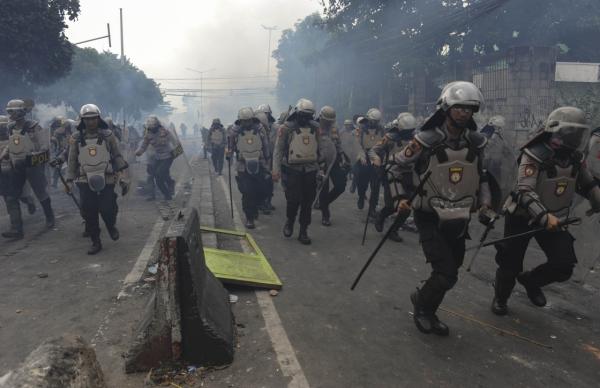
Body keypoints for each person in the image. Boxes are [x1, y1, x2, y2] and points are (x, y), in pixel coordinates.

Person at [393, 81, 493, 336]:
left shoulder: (477, 142)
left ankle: (425, 302)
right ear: (446, 108)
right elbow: (396, 168)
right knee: (445, 272)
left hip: (460, 216)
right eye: (459, 108)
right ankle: (423, 309)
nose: (464, 114)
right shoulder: (425, 139)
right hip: (428, 215)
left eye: (469, 109)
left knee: (451, 271)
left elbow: (481, 177)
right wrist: (400, 198)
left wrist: (485, 204)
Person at [491, 107, 600, 316]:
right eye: (572, 132)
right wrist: (543, 215)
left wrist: (597, 199)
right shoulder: (534, 154)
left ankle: (532, 280)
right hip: (522, 216)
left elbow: (587, 184)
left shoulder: (575, 158)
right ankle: (501, 298)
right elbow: (524, 191)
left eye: (579, 133)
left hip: (555, 217)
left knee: (564, 264)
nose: (576, 138)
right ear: (558, 131)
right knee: (510, 264)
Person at [66, 104, 129, 254]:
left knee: (108, 208)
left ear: (98, 119)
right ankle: (96, 241)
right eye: (87, 119)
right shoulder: (75, 138)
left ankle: (110, 225)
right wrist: (69, 180)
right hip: (84, 179)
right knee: (89, 212)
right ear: (82, 121)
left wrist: (123, 176)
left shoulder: (108, 135)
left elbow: (117, 155)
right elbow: (72, 160)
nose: (90, 122)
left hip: (106, 177)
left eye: (93, 118)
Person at [0, 99, 54, 239]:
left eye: (13, 111)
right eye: (9, 111)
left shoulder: (33, 127)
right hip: (15, 165)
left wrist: (36, 154)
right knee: (12, 196)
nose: (10, 114)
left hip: (32, 165)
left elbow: (44, 145)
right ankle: (16, 229)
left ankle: (50, 217)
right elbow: (11, 143)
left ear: (21, 111)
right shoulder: (11, 127)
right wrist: (5, 154)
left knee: (40, 192)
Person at [272, 98, 321, 245]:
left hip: (311, 170)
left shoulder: (316, 128)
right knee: (293, 200)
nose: (306, 118)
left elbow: (321, 148)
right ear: (297, 113)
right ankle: (290, 221)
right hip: (292, 169)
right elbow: (278, 150)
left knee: (307, 202)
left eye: (309, 115)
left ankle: (303, 231)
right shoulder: (286, 128)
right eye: (303, 115)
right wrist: (276, 170)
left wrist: (323, 167)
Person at [369, 112, 418, 242]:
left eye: (411, 131)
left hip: (409, 175)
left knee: (406, 207)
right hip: (390, 174)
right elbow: (373, 150)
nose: (410, 134)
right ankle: (381, 215)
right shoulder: (389, 138)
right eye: (407, 131)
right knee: (391, 205)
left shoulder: (416, 139)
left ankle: (393, 231)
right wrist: (376, 160)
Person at [227, 107, 270, 229]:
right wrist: (229, 154)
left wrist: (267, 161)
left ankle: (255, 208)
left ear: (252, 119)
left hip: (259, 163)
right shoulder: (234, 132)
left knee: (260, 190)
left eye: (248, 121)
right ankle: (249, 217)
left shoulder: (260, 129)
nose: (246, 123)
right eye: (244, 121)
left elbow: (266, 145)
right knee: (247, 192)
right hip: (243, 166)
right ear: (240, 120)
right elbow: (230, 147)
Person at [315, 106, 348, 226]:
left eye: (330, 121)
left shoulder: (334, 128)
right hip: (320, 163)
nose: (328, 123)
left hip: (334, 161)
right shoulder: (314, 127)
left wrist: (342, 157)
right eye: (327, 121)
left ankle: (324, 203)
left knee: (341, 186)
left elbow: (338, 143)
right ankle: (325, 215)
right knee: (323, 187)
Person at [136, 116, 178, 200]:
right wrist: (138, 152)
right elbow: (144, 145)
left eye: (153, 128)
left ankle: (170, 183)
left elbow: (175, 141)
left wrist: (176, 152)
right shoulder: (148, 133)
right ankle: (167, 194)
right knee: (157, 177)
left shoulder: (165, 131)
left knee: (159, 174)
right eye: (150, 128)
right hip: (158, 157)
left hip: (168, 156)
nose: (152, 130)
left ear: (157, 125)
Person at [356, 109, 384, 220]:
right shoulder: (361, 129)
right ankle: (361, 196)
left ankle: (372, 209)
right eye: (373, 121)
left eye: (376, 121)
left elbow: (384, 142)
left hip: (376, 157)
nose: (375, 124)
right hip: (364, 157)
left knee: (375, 185)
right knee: (361, 182)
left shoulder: (381, 129)